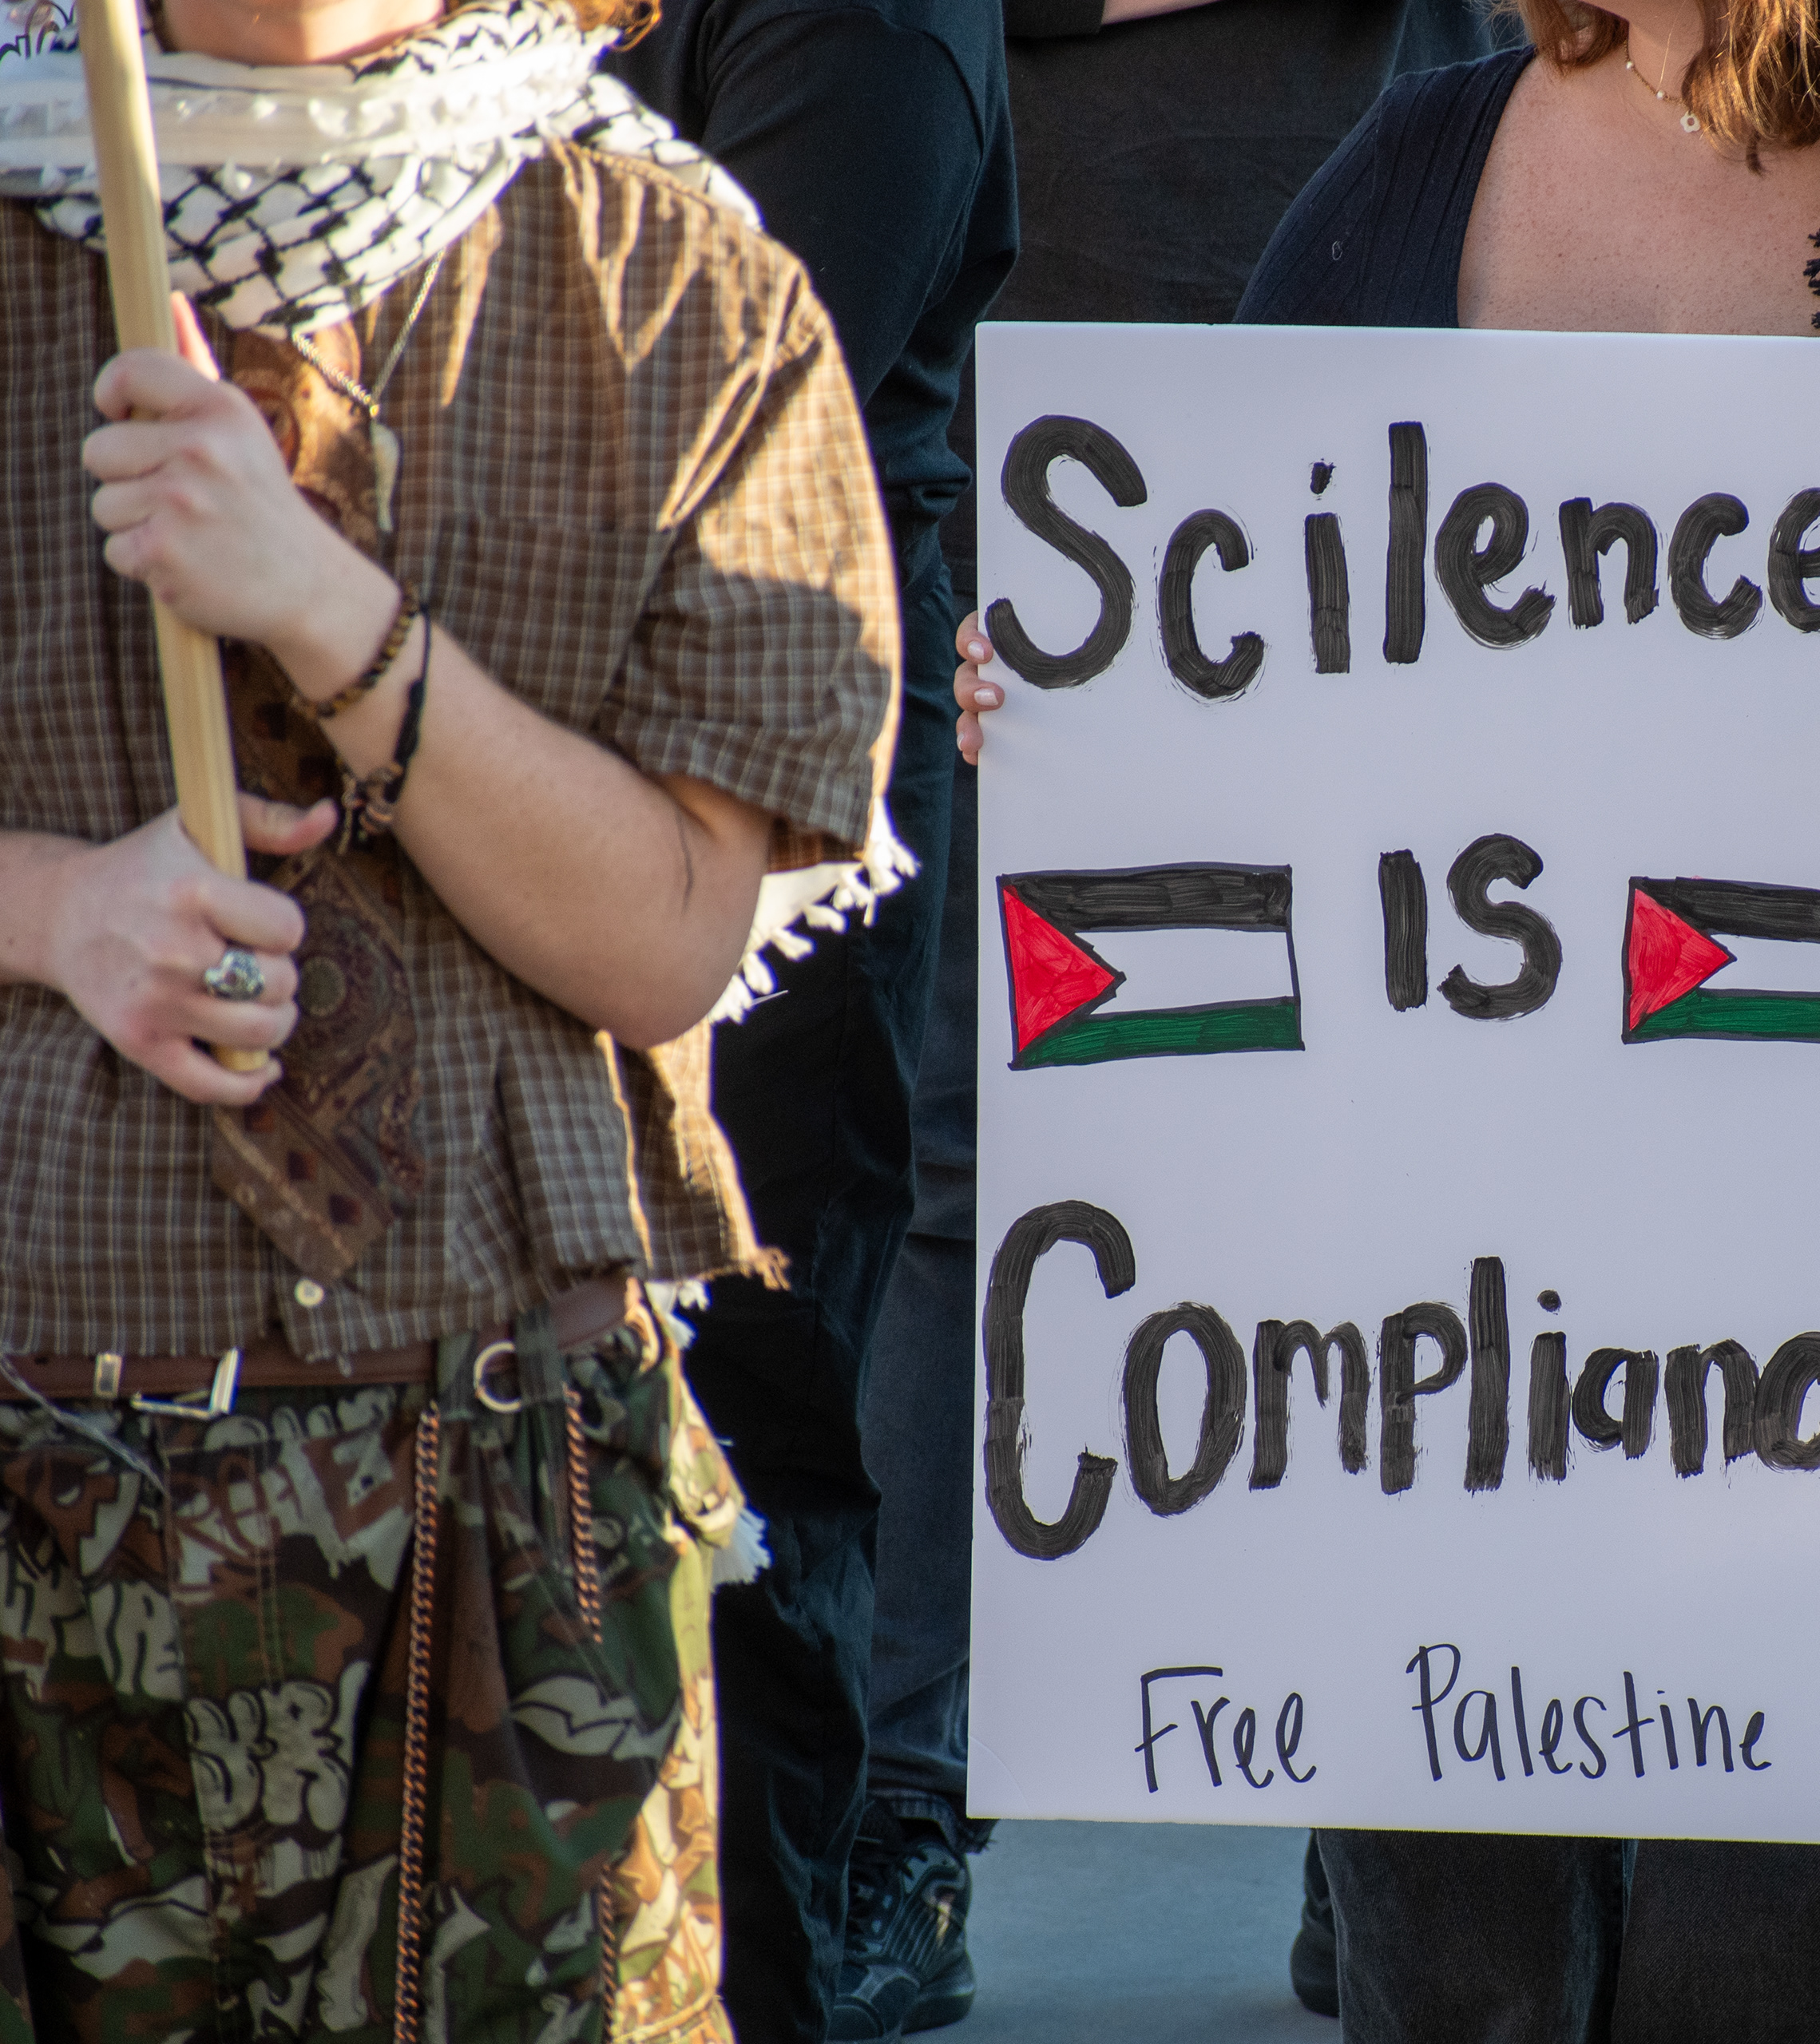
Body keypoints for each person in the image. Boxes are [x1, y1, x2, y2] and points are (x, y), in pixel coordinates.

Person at [946, 0, 1820, 2030]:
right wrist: (1054, 683)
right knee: (1445, 1752)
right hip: (1448, 1069)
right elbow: (1198, 552)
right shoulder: (1415, 154)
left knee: (1818, 1765)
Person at [0, 0, 899, 2032]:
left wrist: (323, 607)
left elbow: (672, 933)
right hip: (29, 1478)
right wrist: (60, 909)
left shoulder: (684, 282)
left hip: (510, 1515)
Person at [832, 0, 1516, 2032]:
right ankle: (897, 1812)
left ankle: (1400, 1807)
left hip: (1418, 441)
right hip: (1040, 481)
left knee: (1409, 1156)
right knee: (969, 1166)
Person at [602, 7, 1014, 2038]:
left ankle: (782, 1948)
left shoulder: (868, 28)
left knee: (756, 1373)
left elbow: (723, 400)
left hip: (759, 778)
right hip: (552, 758)